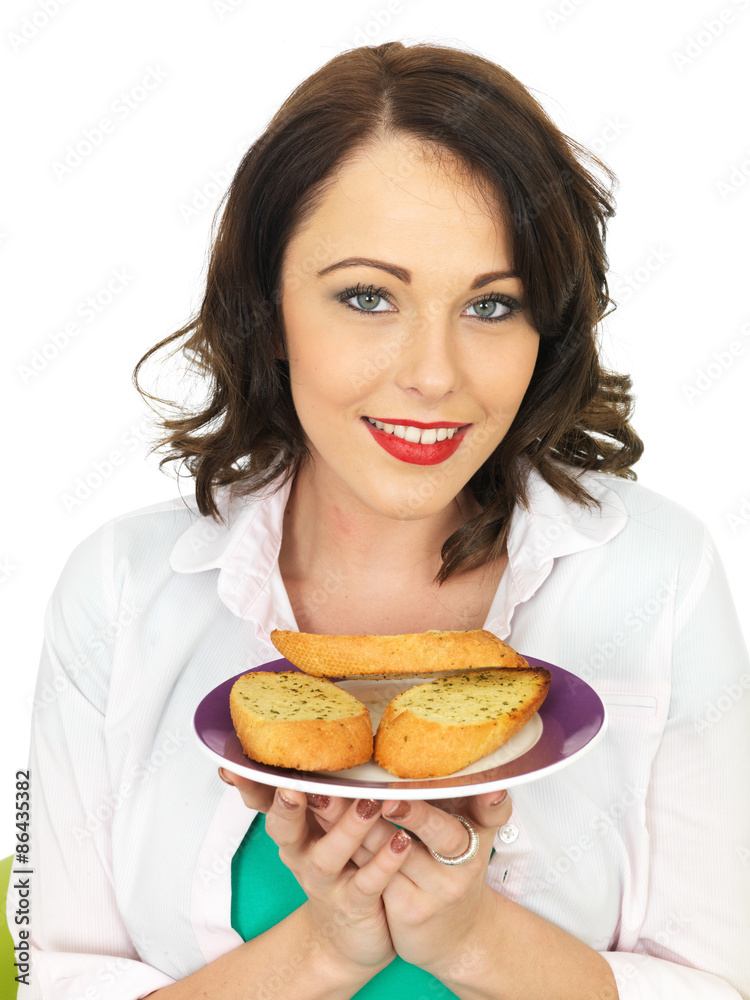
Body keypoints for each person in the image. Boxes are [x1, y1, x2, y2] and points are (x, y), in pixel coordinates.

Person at [18, 39, 749, 1000]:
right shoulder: (119, 591)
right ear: (268, 307)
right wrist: (322, 952)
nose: (433, 375)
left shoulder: (660, 574)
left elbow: (719, 981)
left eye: (492, 306)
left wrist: (476, 940)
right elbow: (45, 975)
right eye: (368, 297)